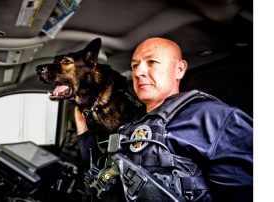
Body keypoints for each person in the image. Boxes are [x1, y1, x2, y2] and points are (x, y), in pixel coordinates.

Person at [74, 37, 253, 201]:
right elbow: (104, 171)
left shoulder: (216, 119)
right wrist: (83, 128)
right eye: (135, 65)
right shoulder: (130, 126)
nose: (138, 72)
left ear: (179, 70)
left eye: (152, 62)